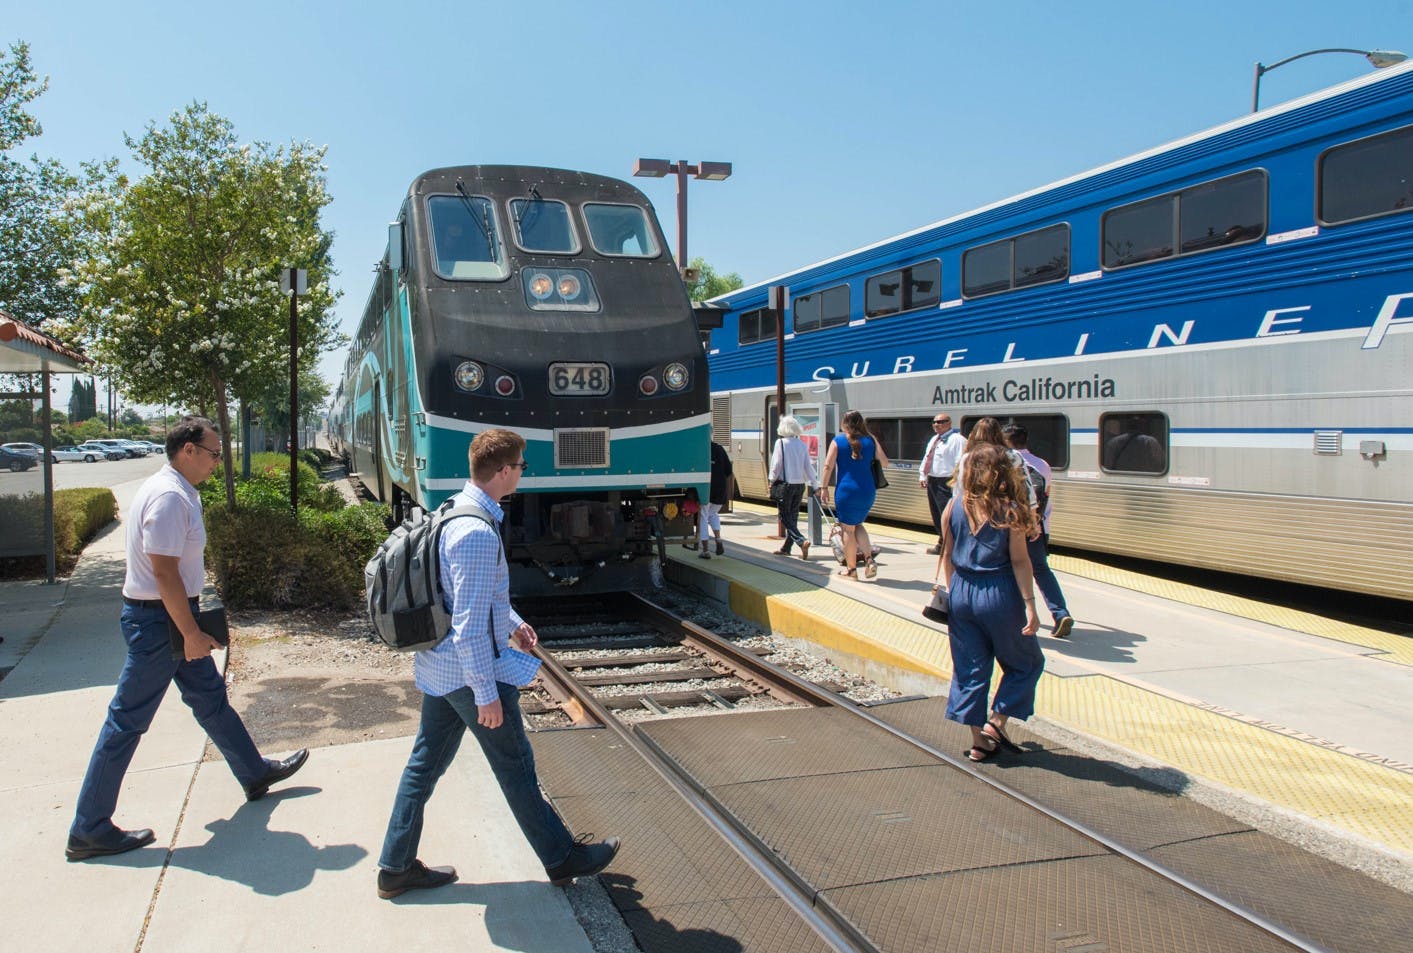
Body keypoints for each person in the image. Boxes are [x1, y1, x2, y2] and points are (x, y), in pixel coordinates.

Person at [376, 429, 618, 898]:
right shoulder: (476, 533)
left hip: (442, 671)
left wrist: (513, 624)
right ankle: (560, 855)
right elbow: (467, 625)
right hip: (468, 674)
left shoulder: (456, 511)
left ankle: (395, 866)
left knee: (424, 766)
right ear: (504, 471)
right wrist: (486, 694)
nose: (524, 473)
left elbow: (472, 597)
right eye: (522, 466)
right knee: (515, 766)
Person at [67, 416, 308, 862]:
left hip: (168, 619)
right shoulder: (170, 498)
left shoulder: (177, 491)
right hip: (161, 624)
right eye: (215, 453)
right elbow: (163, 572)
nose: (220, 460)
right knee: (126, 722)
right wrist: (190, 632)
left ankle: (253, 772)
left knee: (210, 699)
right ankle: (89, 827)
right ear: (188, 450)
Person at [941, 443, 1044, 763]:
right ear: (1003, 473)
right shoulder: (1010, 510)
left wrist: (954, 594)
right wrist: (1030, 604)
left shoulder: (956, 505)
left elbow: (946, 556)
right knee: (1027, 662)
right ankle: (995, 724)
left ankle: (979, 742)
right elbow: (1020, 561)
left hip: (961, 590)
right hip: (998, 593)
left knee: (970, 668)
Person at [1003, 424, 1074, 638]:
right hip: (1039, 526)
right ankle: (1060, 613)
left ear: (1006, 441)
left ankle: (1017, 618)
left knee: (1011, 569)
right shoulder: (1043, 465)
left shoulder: (1007, 462)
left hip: (1014, 527)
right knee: (1041, 570)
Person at [817, 410, 888, 580]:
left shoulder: (838, 440)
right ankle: (869, 559)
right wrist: (872, 438)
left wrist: (824, 487)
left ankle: (851, 570)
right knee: (858, 525)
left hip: (847, 491)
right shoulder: (870, 440)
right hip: (867, 490)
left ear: (844, 423)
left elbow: (828, 466)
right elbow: (884, 462)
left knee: (848, 529)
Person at [768, 416, 819, 560]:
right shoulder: (801, 444)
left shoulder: (781, 443)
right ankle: (786, 548)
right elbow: (808, 467)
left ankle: (801, 541)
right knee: (793, 516)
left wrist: (771, 480)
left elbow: (776, 464)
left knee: (784, 516)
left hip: (786, 485)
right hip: (799, 485)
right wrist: (815, 484)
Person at [917, 412, 964, 555]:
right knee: (937, 514)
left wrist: (956, 482)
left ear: (949, 423)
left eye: (941, 421)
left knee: (947, 515)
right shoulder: (934, 439)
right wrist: (922, 475)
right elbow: (927, 458)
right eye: (935, 422)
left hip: (947, 481)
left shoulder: (957, 440)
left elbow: (960, 461)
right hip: (933, 481)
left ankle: (952, 545)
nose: (937, 424)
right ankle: (943, 541)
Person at [697, 440, 733, 559]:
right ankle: (718, 539)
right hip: (720, 489)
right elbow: (728, 470)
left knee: (703, 516)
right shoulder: (719, 449)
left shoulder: (700, 449)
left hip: (706, 488)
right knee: (713, 514)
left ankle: (705, 551)